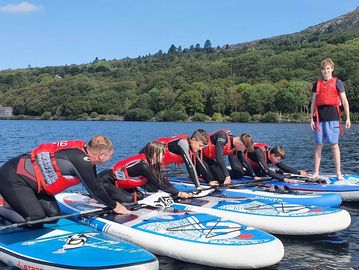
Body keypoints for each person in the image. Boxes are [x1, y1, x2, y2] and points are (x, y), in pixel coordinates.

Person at [0, 135, 129, 226]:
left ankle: (14, 204)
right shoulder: (81, 160)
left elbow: (96, 184)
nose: (110, 158)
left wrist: (113, 201)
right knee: (35, 220)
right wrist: (115, 206)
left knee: (53, 216)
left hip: (37, 186)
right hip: (13, 178)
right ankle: (3, 209)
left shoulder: (86, 155)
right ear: (101, 155)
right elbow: (94, 190)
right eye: (110, 155)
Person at [98, 141, 190, 202]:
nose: (164, 156)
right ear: (154, 154)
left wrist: (176, 191)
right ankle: (101, 195)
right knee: (130, 198)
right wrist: (179, 193)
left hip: (118, 184)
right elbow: (160, 184)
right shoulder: (143, 165)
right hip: (102, 181)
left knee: (140, 196)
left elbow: (161, 180)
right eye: (162, 154)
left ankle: (113, 193)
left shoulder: (152, 163)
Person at [310, 58, 351, 181]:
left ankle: (338, 173)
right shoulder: (316, 84)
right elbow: (313, 102)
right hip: (319, 118)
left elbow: (344, 101)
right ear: (321, 70)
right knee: (318, 146)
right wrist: (311, 118)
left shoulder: (338, 82)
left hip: (333, 117)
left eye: (328, 69)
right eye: (323, 69)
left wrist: (348, 118)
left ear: (332, 69)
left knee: (334, 145)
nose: (326, 71)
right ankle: (316, 172)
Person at [242, 137, 307, 182]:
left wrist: (299, 172)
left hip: (255, 165)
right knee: (262, 174)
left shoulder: (272, 155)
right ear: (273, 155)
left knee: (265, 174)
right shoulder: (259, 152)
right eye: (278, 160)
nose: (278, 161)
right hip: (240, 161)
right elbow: (266, 170)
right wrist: (283, 179)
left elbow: (283, 166)